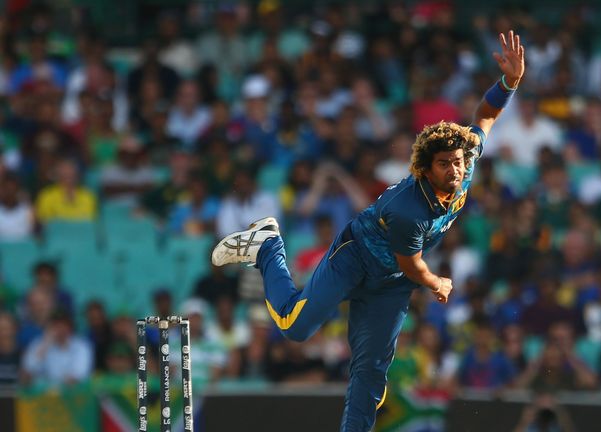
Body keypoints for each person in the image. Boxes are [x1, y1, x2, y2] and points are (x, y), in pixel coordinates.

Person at [211, 30, 526, 431]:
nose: (456, 169)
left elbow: (484, 115)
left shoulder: (465, 166)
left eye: (459, 162)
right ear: (425, 169)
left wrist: (509, 83)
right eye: (445, 163)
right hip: (357, 257)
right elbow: (412, 264)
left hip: (390, 281)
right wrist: (436, 282)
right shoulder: (409, 209)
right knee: (295, 327)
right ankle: (267, 245)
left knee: (371, 372)